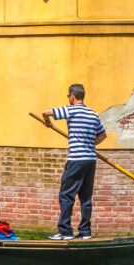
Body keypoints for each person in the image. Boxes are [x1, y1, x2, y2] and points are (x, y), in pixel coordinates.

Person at [42, 83, 106, 240]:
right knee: (85, 197)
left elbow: (45, 112)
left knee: (66, 195)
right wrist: (89, 144)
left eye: (68, 96)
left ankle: (65, 231)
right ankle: (85, 232)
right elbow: (103, 135)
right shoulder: (93, 114)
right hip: (90, 160)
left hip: (76, 159)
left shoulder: (70, 110)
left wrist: (47, 122)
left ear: (72, 96)